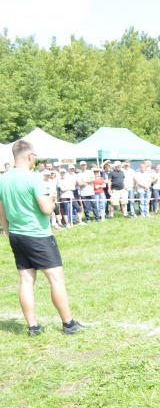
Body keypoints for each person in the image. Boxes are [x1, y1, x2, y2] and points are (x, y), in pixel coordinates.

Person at [0, 140, 86, 336]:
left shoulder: (3, 178)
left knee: (26, 281)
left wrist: (10, 234)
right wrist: (52, 201)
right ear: (30, 156)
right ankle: (68, 324)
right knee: (56, 279)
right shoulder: (33, 178)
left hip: (16, 235)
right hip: (37, 235)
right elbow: (47, 209)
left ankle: (33, 327)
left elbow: (2, 214)